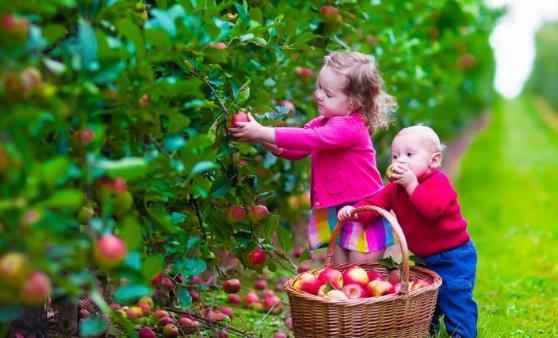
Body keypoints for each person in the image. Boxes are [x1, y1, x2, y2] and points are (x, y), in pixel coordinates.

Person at [229, 51, 397, 264]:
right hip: (337, 209)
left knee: (361, 275)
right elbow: (298, 149)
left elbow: (311, 139)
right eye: (319, 87)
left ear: (354, 102)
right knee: (341, 275)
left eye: (328, 93)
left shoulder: (351, 127)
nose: (318, 95)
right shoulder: (325, 120)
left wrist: (263, 131)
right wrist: (260, 138)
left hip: (362, 211)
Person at [338, 125, 478, 338]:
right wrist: (354, 211)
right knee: (427, 297)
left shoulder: (438, 182)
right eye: (395, 155)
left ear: (434, 161)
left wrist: (412, 185)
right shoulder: (395, 189)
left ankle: (463, 333)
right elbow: (374, 206)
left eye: (409, 154)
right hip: (425, 258)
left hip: (454, 256)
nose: (400, 161)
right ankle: (425, 330)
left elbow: (432, 210)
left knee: (454, 295)